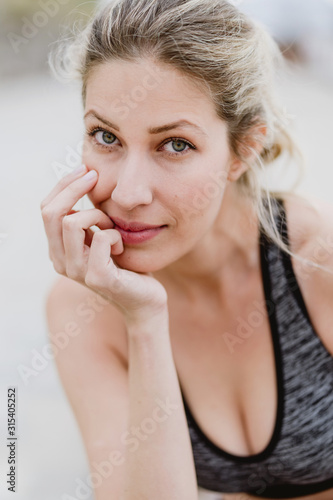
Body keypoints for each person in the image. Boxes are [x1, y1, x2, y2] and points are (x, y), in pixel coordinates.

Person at [40, 0, 333, 498]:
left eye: (175, 144)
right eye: (105, 136)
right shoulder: (82, 305)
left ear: (244, 150)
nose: (128, 193)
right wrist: (145, 321)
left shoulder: (314, 259)